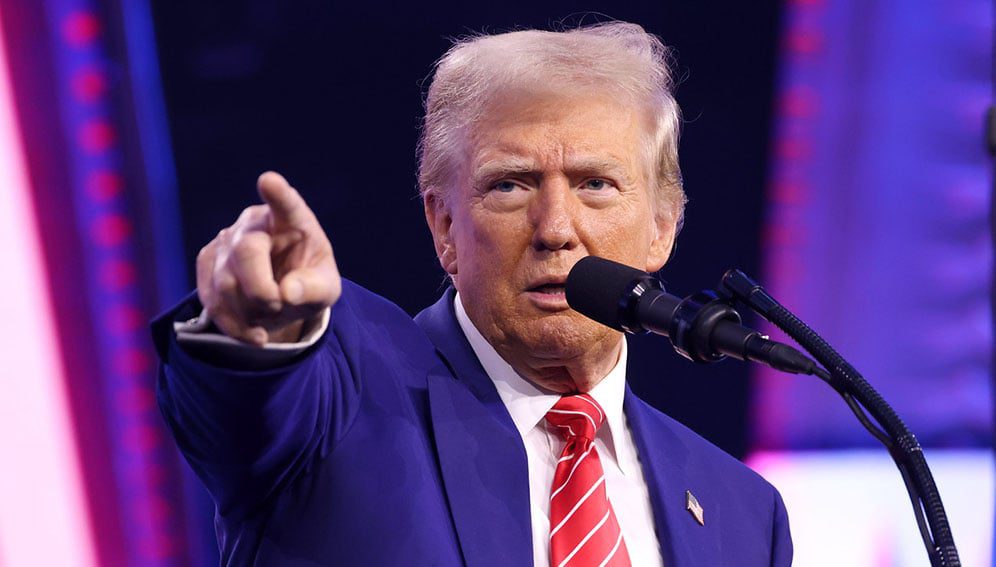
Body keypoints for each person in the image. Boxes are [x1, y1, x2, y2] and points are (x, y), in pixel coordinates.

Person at [152, 22, 793, 566]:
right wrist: (257, 332)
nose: (556, 229)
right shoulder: (340, 384)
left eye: (596, 184)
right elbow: (242, 405)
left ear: (661, 228)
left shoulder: (743, 511)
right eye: (510, 186)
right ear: (445, 227)